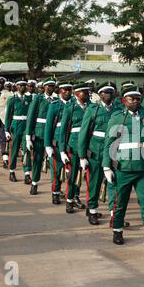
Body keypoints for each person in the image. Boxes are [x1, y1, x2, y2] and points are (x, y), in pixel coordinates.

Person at [102, 86, 144, 246]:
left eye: (138, 99)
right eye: (132, 99)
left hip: (143, 168)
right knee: (120, 202)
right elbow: (108, 143)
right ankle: (117, 230)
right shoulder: (117, 118)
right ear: (124, 101)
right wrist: (106, 167)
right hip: (123, 167)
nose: (135, 102)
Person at [78, 81, 119, 225]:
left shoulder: (119, 109)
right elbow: (83, 133)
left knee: (113, 183)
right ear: (100, 95)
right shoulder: (92, 109)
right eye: (105, 93)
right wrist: (82, 156)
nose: (108, 95)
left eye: (111, 93)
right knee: (94, 183)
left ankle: (115, 214)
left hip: (114, 151)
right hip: (96, 151)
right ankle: (93, 210)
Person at [59, 83, 90, 214]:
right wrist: (62, 150)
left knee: (89, 176)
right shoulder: (70, 108)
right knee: (73, 175)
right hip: (74, 145)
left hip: (89, 145)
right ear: (77, 94)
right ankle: (69, 200)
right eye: (84, 92)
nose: (87, 95)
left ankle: (89, 203)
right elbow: (63, 130)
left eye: (88, 92)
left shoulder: (92, 107)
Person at [44, 82, 77, 205]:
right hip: (57, 143)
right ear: (60, 91)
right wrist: (48, 145)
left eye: (70, 89)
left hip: (71, 142)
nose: (68, 92)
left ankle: (71, 196)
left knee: (72, 171)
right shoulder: (54, 105)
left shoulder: (74, 105)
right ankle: (56, 193)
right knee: (57, 171)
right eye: (65, 90)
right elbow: (48, 126)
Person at [25, 77, 58, 195]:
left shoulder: (56, 99)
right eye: (48, 85)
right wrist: (28, 136)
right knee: (38, 159)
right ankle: (34, 183)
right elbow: (31, 117)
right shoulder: (38, 99)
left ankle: (55, 187)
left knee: (54, 160)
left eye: (52, 86)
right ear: (44, 87)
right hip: (39, 132)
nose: (50, 88)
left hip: (53, 133)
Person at [4, 79, 32, 184]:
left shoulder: (29, 98)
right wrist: (6, 130)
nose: (23, 87)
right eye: (20, 85)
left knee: (26, 150)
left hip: (26, 126)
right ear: (17, 86)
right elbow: (8, 116)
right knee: (14, 150)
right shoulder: (12, 99)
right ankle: (12, 171)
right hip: (15, 125)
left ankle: (27, 174)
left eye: (24, 85)